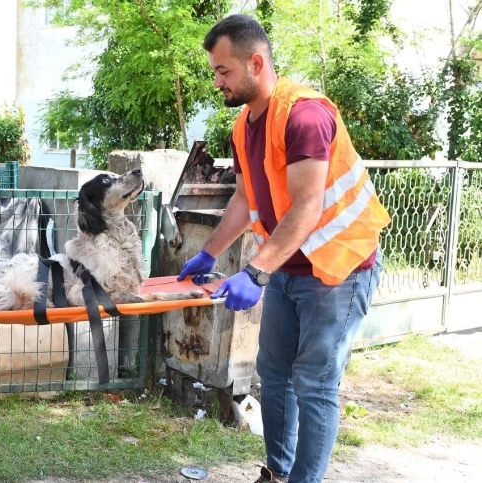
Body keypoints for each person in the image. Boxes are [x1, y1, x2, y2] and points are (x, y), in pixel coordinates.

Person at [178, 14, 391, 483]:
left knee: (314, 383)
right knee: (273, 375)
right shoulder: (242, 127)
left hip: (339, 268)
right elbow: (244, 198)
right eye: (215, 71)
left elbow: (308, 205)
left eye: (223, 71)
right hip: (289, 269)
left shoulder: (305, 115)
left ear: (256, 62)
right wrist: (210, 253)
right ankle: (277, 474)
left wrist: (255, 272)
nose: (217, 81)